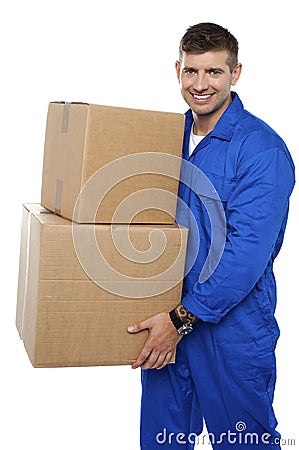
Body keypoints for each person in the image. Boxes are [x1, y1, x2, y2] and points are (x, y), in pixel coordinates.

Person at [127, 22, 295, 449]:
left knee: (243, 442)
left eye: (214, 73)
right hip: (163, 316)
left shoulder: (261, 149)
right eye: (191, 72)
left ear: (235, 73)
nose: (200, 85)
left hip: (230, 330)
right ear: (177, 70)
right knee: (162, 440)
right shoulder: (165, 138)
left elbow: (246, 254)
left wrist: (180, 321)